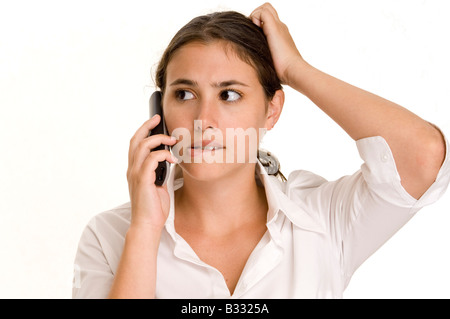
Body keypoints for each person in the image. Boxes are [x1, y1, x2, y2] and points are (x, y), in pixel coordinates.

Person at [72, 3, 449, 298]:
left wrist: (296, 69)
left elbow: (424, 156)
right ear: (160, 110)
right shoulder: (110, 236)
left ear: (272, 109)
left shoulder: (320, 220)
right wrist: (145, 230)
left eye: (229, 94)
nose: (204, 119)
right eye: (184, 94)